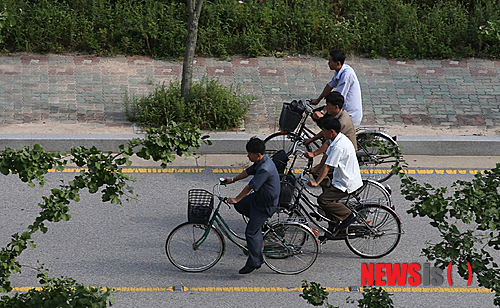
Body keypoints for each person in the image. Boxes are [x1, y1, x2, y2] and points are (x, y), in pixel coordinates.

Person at [225, 137, 280, 274]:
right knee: (241, 205)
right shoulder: (262, 161)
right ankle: (259, 226)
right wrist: (232, 180)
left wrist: (236, 198)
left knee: (250, 232)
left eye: (249, 153)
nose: (247, 155)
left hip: (265, 205)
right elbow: (247, 172)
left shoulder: (265, 169)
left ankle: (255, 261)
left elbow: (250, 186)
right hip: (259, 198)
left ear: (257, 155)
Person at [306, 117, 363, 241]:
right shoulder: (337, 139)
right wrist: (315, 169)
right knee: (327, 194)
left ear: (331, 131)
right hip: (342, 178)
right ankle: (332, 225)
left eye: (324, 131)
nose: (323, 133)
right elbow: (326, 156)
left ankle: (348, 215)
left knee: (323, 200)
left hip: (346, 182)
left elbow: (327, 166)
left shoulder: (339, 146)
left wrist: (316, 182)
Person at [311, 49, 363, 126]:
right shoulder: (340, 70)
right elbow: (330, 85)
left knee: (325, 123)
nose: (328, 63)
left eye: (330, 61)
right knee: (315, 113)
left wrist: (322, 112)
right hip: (340, 108)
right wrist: (318, 100)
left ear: (338, 63)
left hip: (349, 114)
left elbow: (336, 99)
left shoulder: (346, 75)